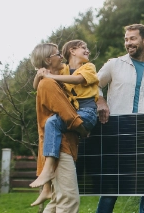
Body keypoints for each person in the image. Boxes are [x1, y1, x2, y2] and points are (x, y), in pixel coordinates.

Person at [96, 24, 144, 213]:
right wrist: (101, 101)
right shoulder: (114, 64)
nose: (128, 43)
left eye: (133, 39)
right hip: (117, 131)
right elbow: (93, 85)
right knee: (111, 186)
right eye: (126, 39)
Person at [30, 40, 99, 206]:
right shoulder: (50, 81)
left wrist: (47, 75)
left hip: (84, 114)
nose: (61, 57)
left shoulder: (86, 68)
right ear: (73, 51)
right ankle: (47, 173)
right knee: (67, 200)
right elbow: (68, 115)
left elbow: (77, 80)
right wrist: (81, 129)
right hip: (63, 144)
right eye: (57, 54)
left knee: (58, 201)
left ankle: (47, 174)